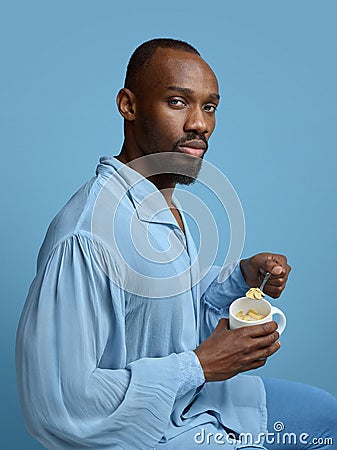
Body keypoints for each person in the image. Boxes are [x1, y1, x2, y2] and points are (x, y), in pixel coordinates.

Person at [16, 38, 337, 450]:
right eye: (177, 102)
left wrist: (239, 281)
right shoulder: (87, 236)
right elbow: (57, 401)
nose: (199, 124)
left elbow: (163, 322)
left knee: (325, 414)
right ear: (129, 105)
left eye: (209, 107)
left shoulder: (163, 206)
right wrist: (199, 366)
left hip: (191, 403)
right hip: (147, 431)